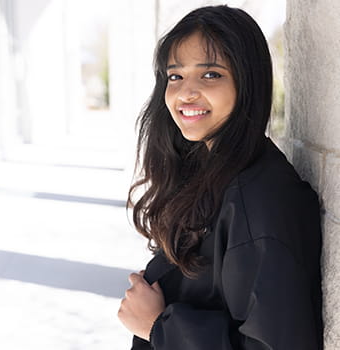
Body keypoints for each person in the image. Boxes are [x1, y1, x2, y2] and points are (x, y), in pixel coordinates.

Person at [118, 5, 323, 350]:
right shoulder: (212, 171)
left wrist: (159, 326)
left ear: (247, 81)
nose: (185, 93)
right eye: (175, 76)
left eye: (210, 74)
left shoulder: (260, 198)